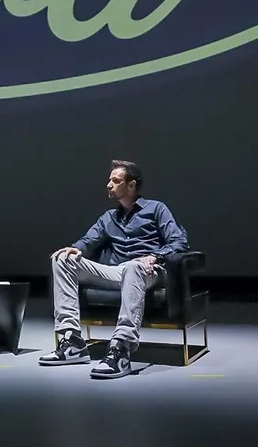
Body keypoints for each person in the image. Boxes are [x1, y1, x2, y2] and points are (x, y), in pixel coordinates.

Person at [38, 160, 189, 379]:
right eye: (109, 180)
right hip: (118, 272)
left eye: (115, 180)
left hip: (150, 271)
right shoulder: (109, 218)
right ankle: (73, 343)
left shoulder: (156, 209)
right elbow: (88, 241)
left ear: (131, 185)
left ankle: (121, 349)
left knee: (132, 266)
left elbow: (179, 242)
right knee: (62, 259)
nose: (109, 184)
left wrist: (154, 256)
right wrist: (74, 248)